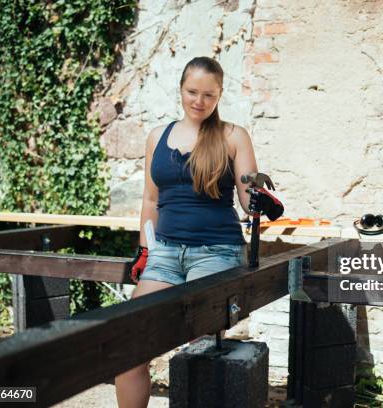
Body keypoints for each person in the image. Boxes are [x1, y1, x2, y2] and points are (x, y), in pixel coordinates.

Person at [114, 56, 282, 408]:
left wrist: (259, 199)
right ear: (181, 89)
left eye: (209, 95)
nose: (199, 101)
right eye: (192, 92)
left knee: (199, 343)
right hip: (164, 255)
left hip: (216, 252)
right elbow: (150, 200)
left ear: (219, 94)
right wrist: (144, 251)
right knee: (128, 347)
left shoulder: (233, 136)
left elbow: (246, 193)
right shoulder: (157, 137)